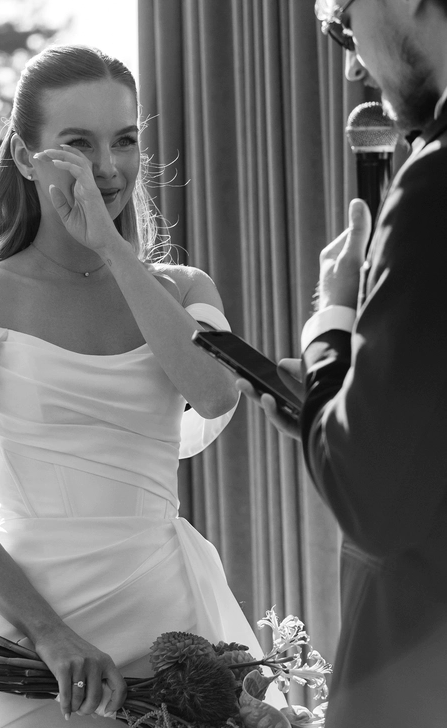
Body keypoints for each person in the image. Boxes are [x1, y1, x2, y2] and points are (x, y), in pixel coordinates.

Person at [0, 45, 286, 728]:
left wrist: (114, 251)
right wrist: (49, 633)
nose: (106, 167)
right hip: (29, 625)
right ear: (25, 157)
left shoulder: (184, 289)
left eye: (124, 140)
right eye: (78, 144)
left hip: (168, 612)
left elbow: (214, 394)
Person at [240, 1, 447, 726]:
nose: (354, 64)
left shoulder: (433, 185)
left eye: (341, 21)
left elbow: (373, 497)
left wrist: (332, 320)